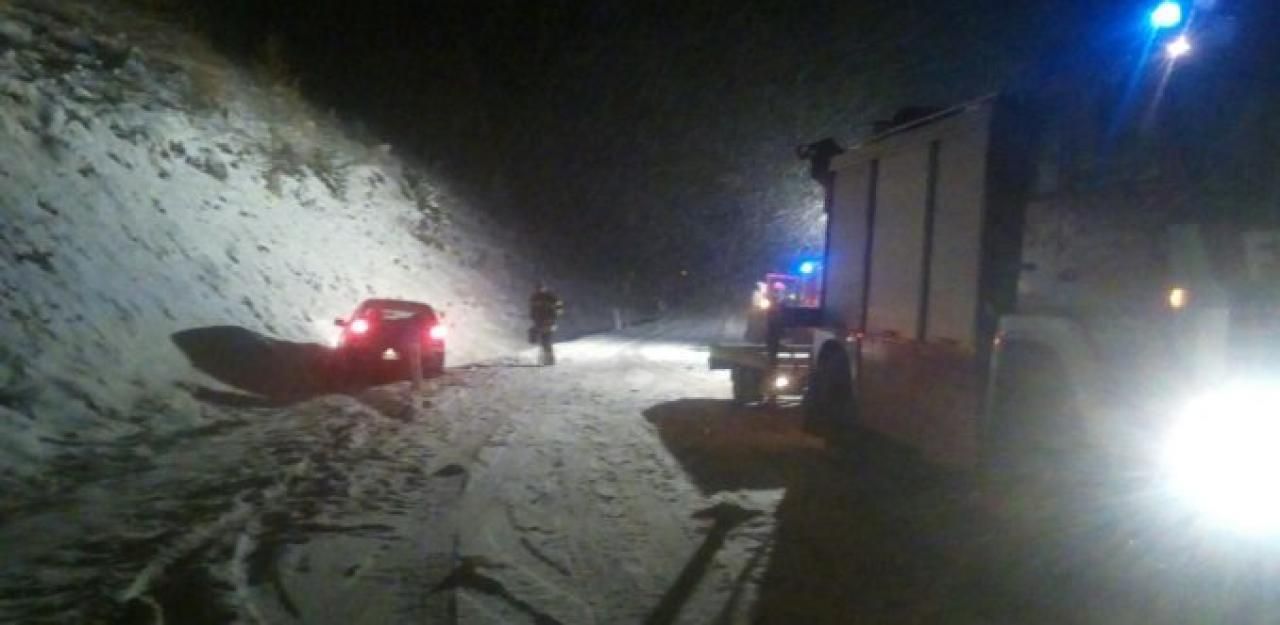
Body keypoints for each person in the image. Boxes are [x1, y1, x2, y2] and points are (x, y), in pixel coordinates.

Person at [529, 283, 564, 365]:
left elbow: (559, 304)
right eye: (538, 288)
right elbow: (532, 309)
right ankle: (545, 358)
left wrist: (558, 313)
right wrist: (533, 317)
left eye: (540, 288)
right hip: (540, 321)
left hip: (549, 320)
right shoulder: (534, 297)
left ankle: (549, 359)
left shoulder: (549, 296)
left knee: (546, 339)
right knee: (543, 339)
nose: (539, 290)